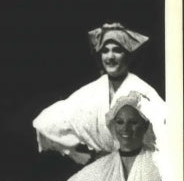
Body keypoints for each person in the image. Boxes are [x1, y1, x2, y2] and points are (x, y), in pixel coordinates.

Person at [33, 22, 165, 165]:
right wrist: (82, 153)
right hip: (101, 168)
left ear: (128, 55)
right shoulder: (93, 90)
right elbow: (46, 122)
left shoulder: (141, 89)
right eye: (105, 51)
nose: (110, 56)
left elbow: (166, 128)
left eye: (117, 50)